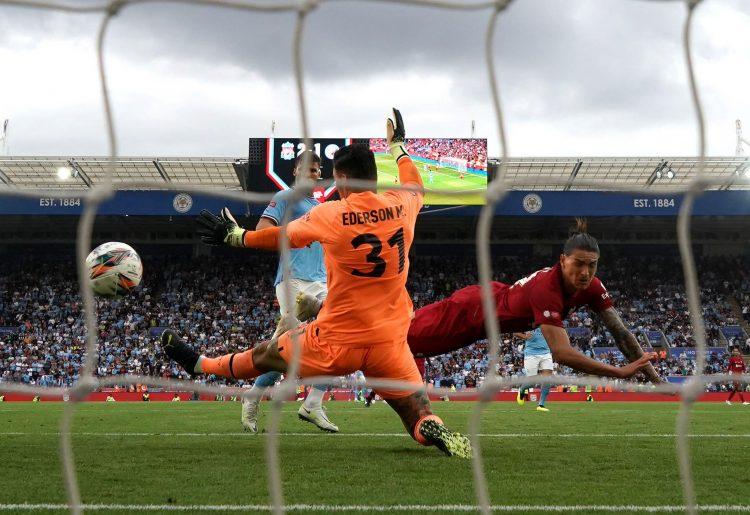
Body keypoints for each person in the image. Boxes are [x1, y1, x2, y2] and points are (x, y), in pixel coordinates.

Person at [164, 109, 471, 458]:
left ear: (340, 179)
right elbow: (413, 179)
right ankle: (430, 424)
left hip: (335, 339)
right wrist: (397, 146)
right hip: (389, 341)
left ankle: (199, 364)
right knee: (416, 410)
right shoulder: (404, 203)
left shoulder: (331, 213)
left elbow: (281, 237)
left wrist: (236, 237)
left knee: (266, 354)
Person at [298, 219, 659, 383]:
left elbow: (621, 333)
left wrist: (653, 378)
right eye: (578, 264)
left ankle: (323, 309)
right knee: (394, 339)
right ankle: (321, 308)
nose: (584, 272)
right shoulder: (547, 288)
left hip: (484, 302)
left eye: (591, 266)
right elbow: (562, 353)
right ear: (562, 260)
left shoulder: (592, 285)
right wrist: (619, 372)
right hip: (470, 315)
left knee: (395, 331)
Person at [239, 150, 337, 434]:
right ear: (295, 171)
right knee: (287, 347)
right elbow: (262, 229)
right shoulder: (285, 199)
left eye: (317, 170)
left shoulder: (320, 208)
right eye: (308, 168)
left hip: (320, 282)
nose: (313, 173)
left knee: (338, 337)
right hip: (293, 280)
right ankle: (256, 393)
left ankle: (313, 403)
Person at [514, 328, 553, 411]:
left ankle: (541, 405)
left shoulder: (546, 320)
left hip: (546, 353)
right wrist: (524, 336)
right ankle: (522, 390)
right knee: (532, 383)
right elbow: (515, 332)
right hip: (531, 354)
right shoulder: (527, 319)